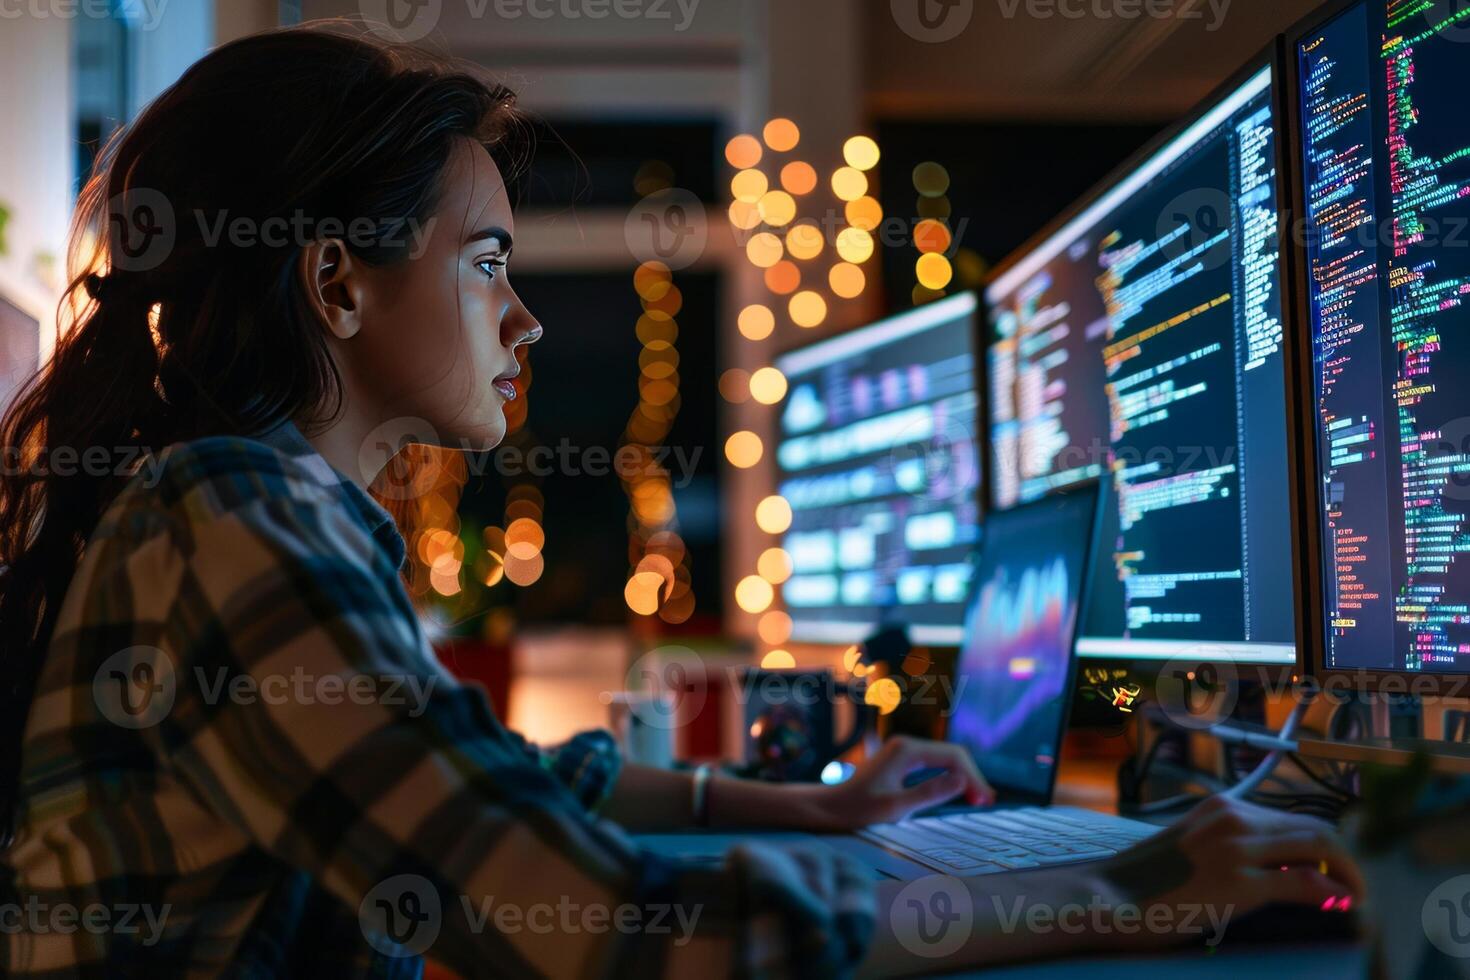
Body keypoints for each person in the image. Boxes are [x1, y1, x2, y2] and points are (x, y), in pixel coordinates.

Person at [0, 25, 1363, 978]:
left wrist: (796, 811)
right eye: (485, 263)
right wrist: (1133, 886)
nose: (525, 320)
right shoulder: (238, 516)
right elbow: (589, 920)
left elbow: (490, 789)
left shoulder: (231, 505)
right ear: (336, 285)